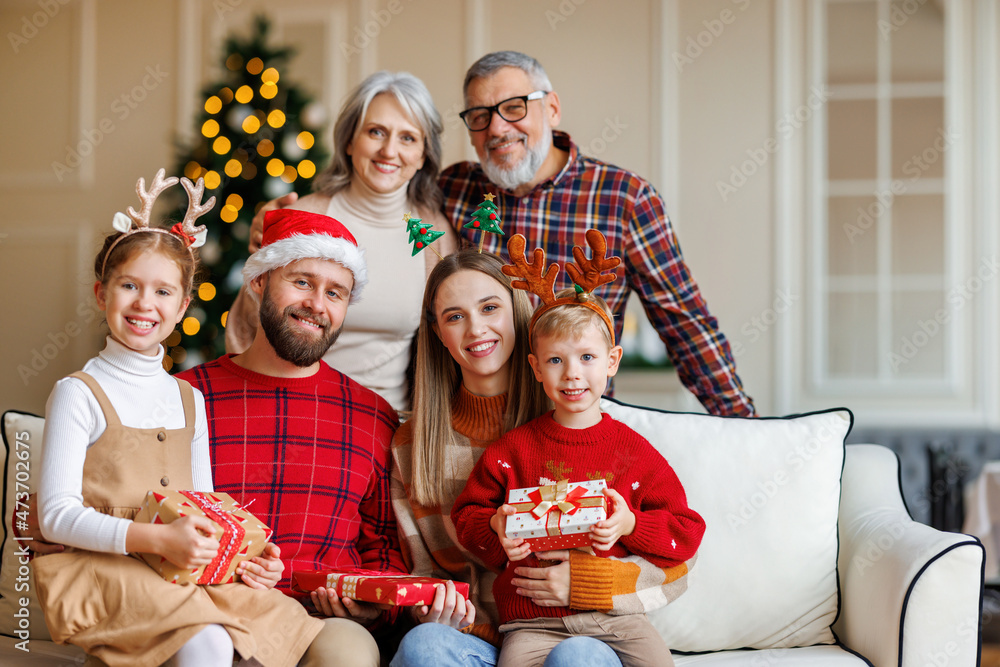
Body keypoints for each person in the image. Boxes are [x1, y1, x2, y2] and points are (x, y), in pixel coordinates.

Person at [32, 171, 323, 667]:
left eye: (164, 292)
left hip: (168, 564)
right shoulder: (77, 394)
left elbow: (203, 508)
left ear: (184, 305)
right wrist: (157, 538)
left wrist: (242, 553)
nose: (146, 303)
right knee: (209, 640)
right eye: (129, 285)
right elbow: (55, 517)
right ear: (102, 294)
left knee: (277, 633)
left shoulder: (188, 399)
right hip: (101, 568)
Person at [390, 249, 699, 667]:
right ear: (438, 333)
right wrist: (426, 603)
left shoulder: (589, 419)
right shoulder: (418, 445)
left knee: (577, 655)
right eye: (454, 315)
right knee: (422, 645)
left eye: (489, 307)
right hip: (498, 634)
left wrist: (592, 580)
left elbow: (681, 546)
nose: (476, 327)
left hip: (596, 631)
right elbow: (422, 566)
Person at [440, 51, 755, 417]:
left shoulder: (626, 198)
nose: (496, 129)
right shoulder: (451, 189)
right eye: (480, 116)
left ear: (552, 109)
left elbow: (686, 326)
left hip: (575, 431)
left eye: (514, 107)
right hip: (469, 424)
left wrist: (745, 425)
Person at [177, 208, 407, 667]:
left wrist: (368, 603)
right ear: (260, 281)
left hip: (320, 625)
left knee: (351, 653)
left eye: (335, 292)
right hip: (207, 612)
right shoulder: (185, 397)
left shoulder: (372, 416)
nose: (318, 305)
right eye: (302, 282)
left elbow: (383, 550)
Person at [230, 70, 458, 412]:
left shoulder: (434, 232)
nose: (389, 150)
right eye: (376, 131)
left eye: (408, 138)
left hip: (395, 426)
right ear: (350, 141)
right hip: (295, 411)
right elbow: (245, 328)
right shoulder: (303, 216)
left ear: (424, 154)